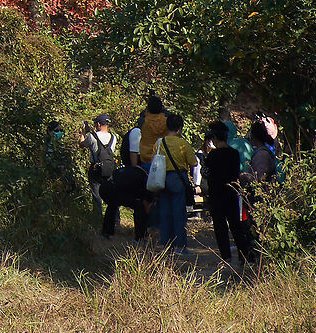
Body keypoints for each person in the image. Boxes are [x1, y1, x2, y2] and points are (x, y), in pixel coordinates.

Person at [203, 121, 261, 274]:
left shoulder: (213, 155)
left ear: (214, 137)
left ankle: (226, 258)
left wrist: (206, 152)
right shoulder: (234, 154)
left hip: (216, 194)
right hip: (231, 193)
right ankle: (246, 256)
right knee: (236, 226)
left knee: (220, 227)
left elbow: (205, 173)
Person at [156, 113, 199, 255]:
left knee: (164, 212)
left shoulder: (159, 143)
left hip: (162, 179)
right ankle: (180, 246)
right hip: (177, 179)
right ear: (179, 129)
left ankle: (165, 246)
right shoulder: (183, 143)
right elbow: (193, 163)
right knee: (178, 213)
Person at [98, 155, 153, 242]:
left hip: (105, 187)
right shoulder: (147, 183)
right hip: (112, 189)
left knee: (112, 205)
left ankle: (106, 233)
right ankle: (140, 237)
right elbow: (146, 206)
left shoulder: (138, 171)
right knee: (139, 208)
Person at [82, 114, 122, 218]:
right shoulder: (114, 137)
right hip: (110, 169)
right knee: (112, 195)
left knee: (97, 196)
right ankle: (116, 219)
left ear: (99, 124)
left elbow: (81, 145)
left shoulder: (92, 136)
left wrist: (83, 133)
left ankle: (98, 218)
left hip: (96, 169)